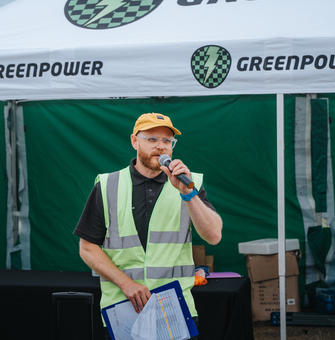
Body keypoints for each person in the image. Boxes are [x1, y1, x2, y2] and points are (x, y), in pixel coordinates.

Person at [74, 112, 223, 339]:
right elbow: (87, 247)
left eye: (167, 141)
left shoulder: (189, 183)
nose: (161, 147)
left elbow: (213, 236)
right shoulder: (107, 185)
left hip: (175, 309)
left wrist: (189, 194)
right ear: (135, 141)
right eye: (152, 139)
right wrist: (126, 283)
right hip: (123, 309)